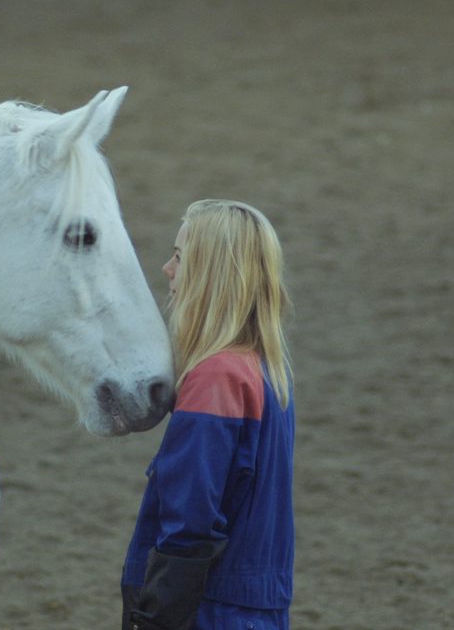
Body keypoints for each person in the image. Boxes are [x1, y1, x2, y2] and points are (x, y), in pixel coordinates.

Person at [121, 199, 295, 630]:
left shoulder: (216, 377)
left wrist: (156, 617)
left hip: (209, 609)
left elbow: (190, 519)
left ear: (210, 273)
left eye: (179, 257)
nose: (167, 269)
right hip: (254, 606)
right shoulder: (266, 372)